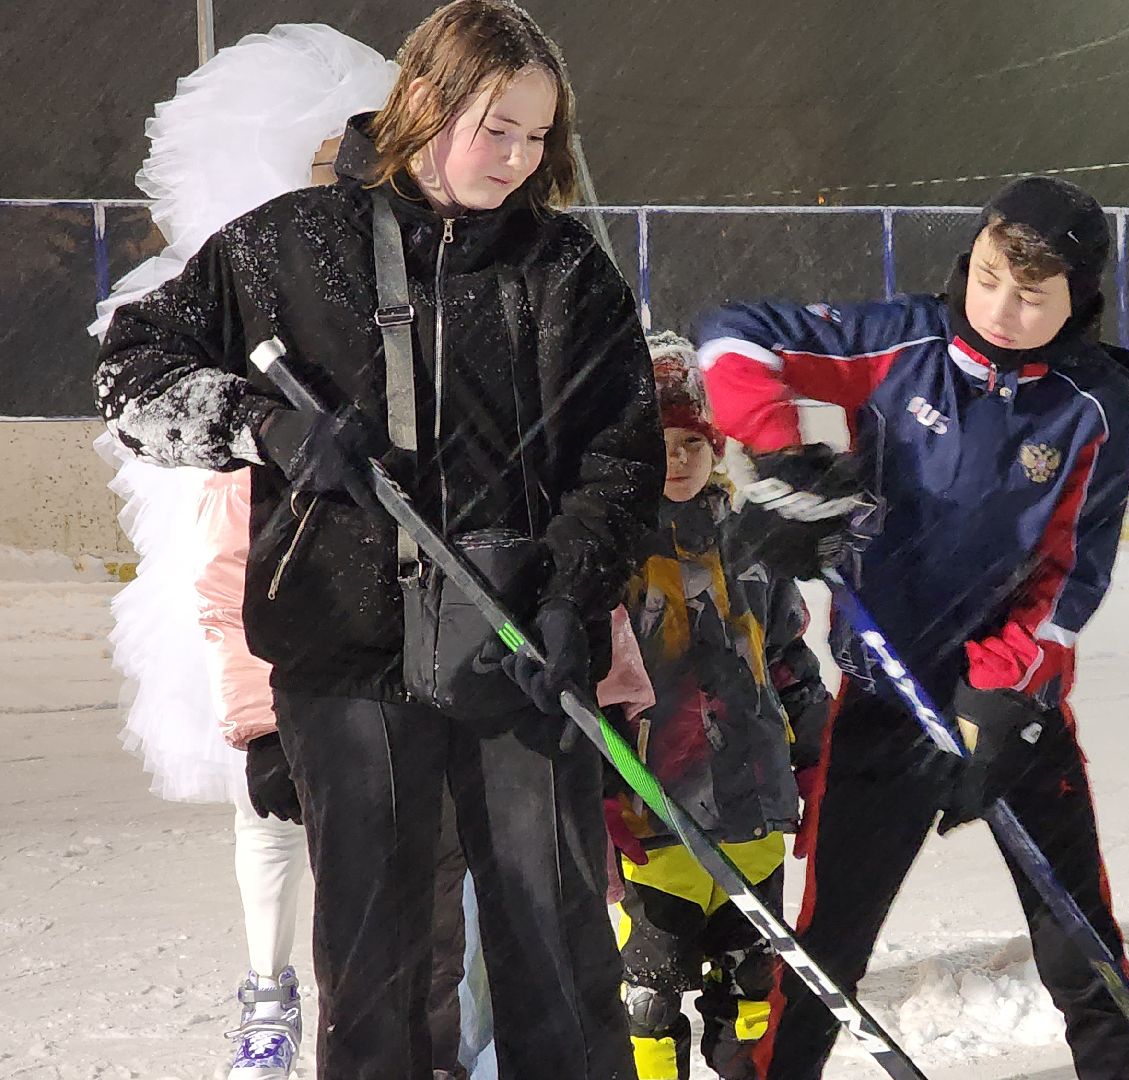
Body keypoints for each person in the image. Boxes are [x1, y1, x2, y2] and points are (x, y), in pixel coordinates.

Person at [93, 2, 661, 1076]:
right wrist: (262, 426)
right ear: (428, 102)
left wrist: (566, 591)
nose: (518, 157)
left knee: (560, 966)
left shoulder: (566, 270)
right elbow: (131, 378)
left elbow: (621, 458)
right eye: (497, 127)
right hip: (349, 669)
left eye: (538, 136)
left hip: (520, 660)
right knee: (380, 983)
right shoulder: (286, 246)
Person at [696, 175, 1129, 1079]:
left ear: (1078, 300)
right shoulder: (902, 343)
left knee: (1076, 934)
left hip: (1009, 704)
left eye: (1032, 295)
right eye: (987, 277)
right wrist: (783, 452)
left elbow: (1074, 569)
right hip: (884, 696)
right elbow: (731, 332)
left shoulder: (1092, 401)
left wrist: (1005, 685)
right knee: (830, 942)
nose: (1000, 307)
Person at [89, 25, 395, 1080]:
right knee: (271, 803)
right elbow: (223, 556)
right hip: (260, 606)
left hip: (382, 618)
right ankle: (269, 997)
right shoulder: (250, 318)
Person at [602, 333, 830, 1080]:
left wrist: (815, 739)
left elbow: (790, 652)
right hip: (655, 818)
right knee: (648, 999)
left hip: (754, 810)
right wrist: (599, 785)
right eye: (663, 442)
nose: (679, 458)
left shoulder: (748, 539)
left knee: (750, 991)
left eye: (693, 443)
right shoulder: (612, 547)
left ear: (716, 444)